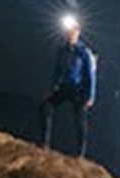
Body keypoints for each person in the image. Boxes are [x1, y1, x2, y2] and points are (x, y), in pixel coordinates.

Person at [40, 14, 97, 158]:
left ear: (77, 32)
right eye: (67, 32)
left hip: (78, 90)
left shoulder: (84, 52)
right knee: (45, 107)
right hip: (64, 87)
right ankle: (44, 145)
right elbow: (57, 71)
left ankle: (80, 154)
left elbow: (90, 76)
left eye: (72, 31)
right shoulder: (62, 50)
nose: (69, 34)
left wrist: (90, 96)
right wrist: (52, 89)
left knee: (80, 120)